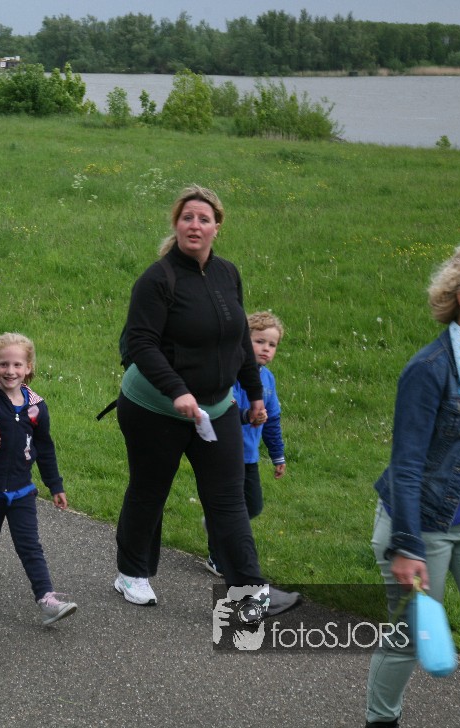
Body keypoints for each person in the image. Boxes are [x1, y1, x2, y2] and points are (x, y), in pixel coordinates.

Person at [112, 184, 297, 617]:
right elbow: (141, 343)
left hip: (217, 408)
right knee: (150, 489)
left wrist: (255, 394)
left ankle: (249, 592)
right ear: (176, 225)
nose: (195, 225)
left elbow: (240, 342)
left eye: (204, 219)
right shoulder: (158, 279)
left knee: (228, 498)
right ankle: (131, 573)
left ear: (217, 227)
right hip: (153, 408)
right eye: (187, 218)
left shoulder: (227, 274)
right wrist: (177, 390)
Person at [366, 235, 460, 728]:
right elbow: (407, 464)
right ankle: (381, 721)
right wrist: (407, 545)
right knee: (407, 642)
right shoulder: (429, 369)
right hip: (421, 526)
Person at [0, 332, 77, 626]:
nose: (10, 371)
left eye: (17, 365)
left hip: (22, 490)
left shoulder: (36, 407)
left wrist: (55, 485)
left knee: (30, 544)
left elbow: (45, 448)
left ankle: (46, 599)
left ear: (28, 368)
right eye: (3, 364)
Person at [205, 311, 287, 576]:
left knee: (253, 505)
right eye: (259, 341)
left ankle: (215, 524)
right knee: (231, 509)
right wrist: (246, 415)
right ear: (243, 341)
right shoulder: (231, 373)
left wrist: (278, 455)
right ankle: (217, 557)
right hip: (224, 451)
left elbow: (273, 419)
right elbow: (222, 407)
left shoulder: (268, 380)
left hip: (249, 456)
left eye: (272, 344)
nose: (266, 349)